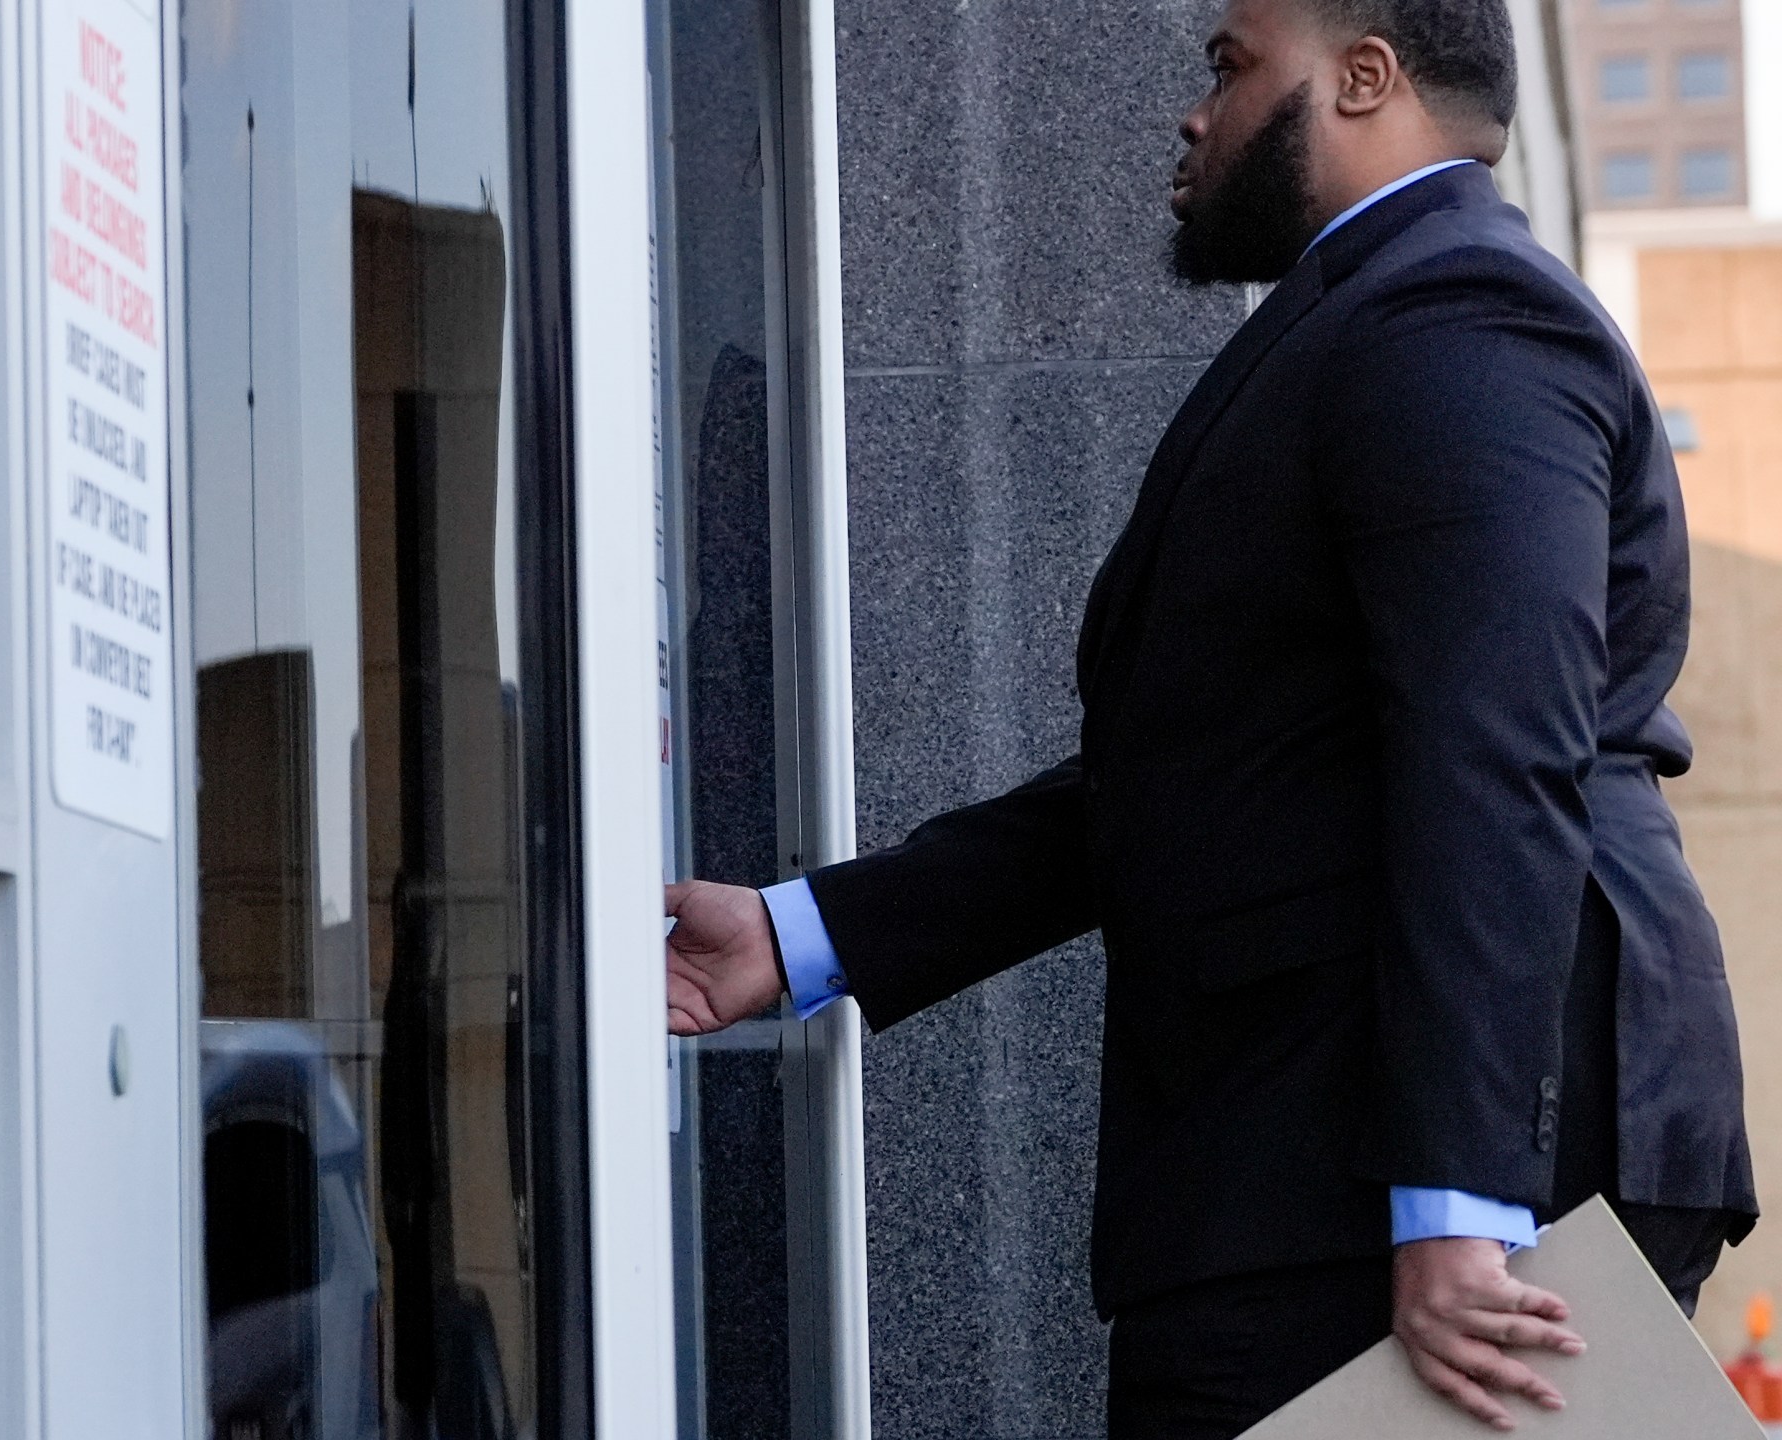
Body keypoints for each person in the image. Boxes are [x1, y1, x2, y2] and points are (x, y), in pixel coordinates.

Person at [664, 0, 1755, 1435]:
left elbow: (1494, 748)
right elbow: (1186, 780)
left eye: (1232, 68)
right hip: (1320, 1154)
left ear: (1364, 78)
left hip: (1408, 1167)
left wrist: (1458, 1206)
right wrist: (806, 934)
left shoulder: (1458, 312)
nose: (1195, 114)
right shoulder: (1382, 313)